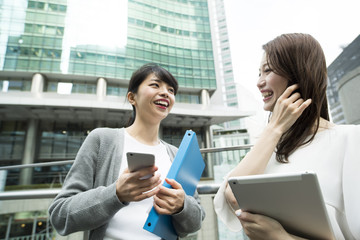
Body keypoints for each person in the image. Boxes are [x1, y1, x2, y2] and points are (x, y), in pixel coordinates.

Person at [214, 33, 360, 240]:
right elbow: (232, 196)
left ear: (298, 75)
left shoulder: (350, 140)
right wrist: (274, 129)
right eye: (259, 72)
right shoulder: (269, 146)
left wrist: (280, 237)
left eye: (268, 70)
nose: (259, 82)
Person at [48, 63, 205, 240]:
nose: (165, 93)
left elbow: (196, 222)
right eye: (155, 85)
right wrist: (115, 194)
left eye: (171, 90)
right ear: (132, 97)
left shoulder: (176, 154)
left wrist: (181, 206)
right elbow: (60, 216)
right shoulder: (102, 140)